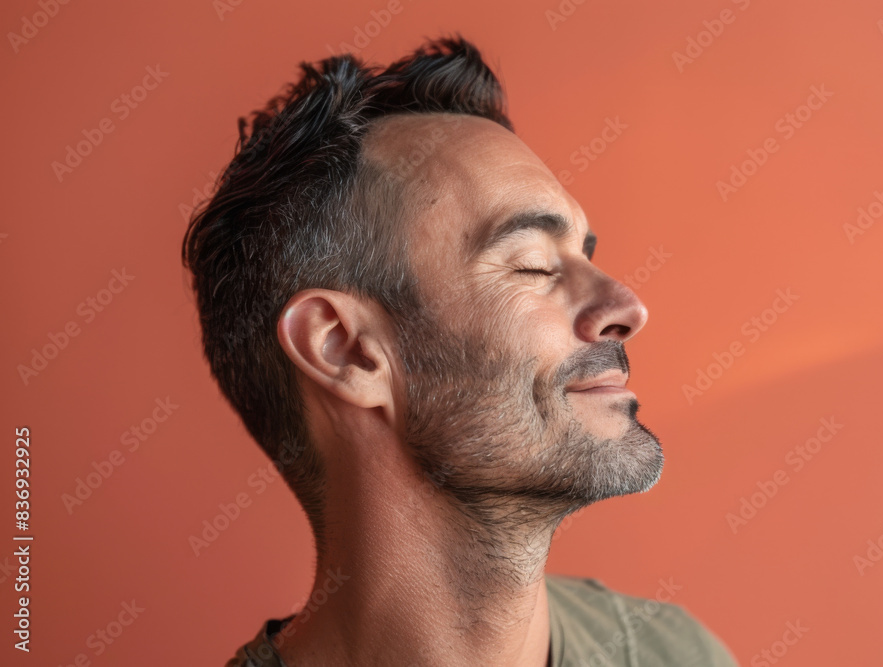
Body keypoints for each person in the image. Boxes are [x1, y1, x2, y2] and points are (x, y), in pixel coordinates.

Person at [183, 34, 740, 667]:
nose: (627, 308)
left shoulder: (676, 653)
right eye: (531, 265)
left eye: (584, 255)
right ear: (345, 349)